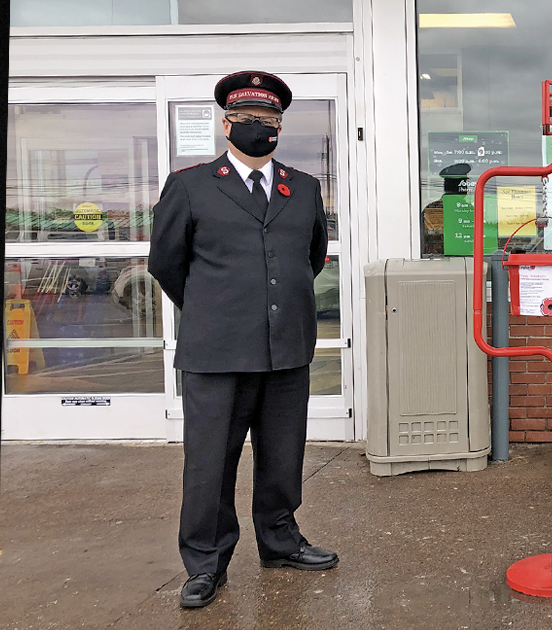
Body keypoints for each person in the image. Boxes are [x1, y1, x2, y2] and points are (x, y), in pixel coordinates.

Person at [149, 70, 337, 609]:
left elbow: (312, 258)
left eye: (270, 120)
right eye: (249, 120)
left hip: (286, 346)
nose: (260, 128)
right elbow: (166, 263)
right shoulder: (190, 186)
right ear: (225, 123)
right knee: (210, 462)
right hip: (216, 350)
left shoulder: (303, 187)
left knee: (283, 455)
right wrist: (213, 307)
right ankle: (206, 563)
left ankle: (280, 541)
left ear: (281, 126)